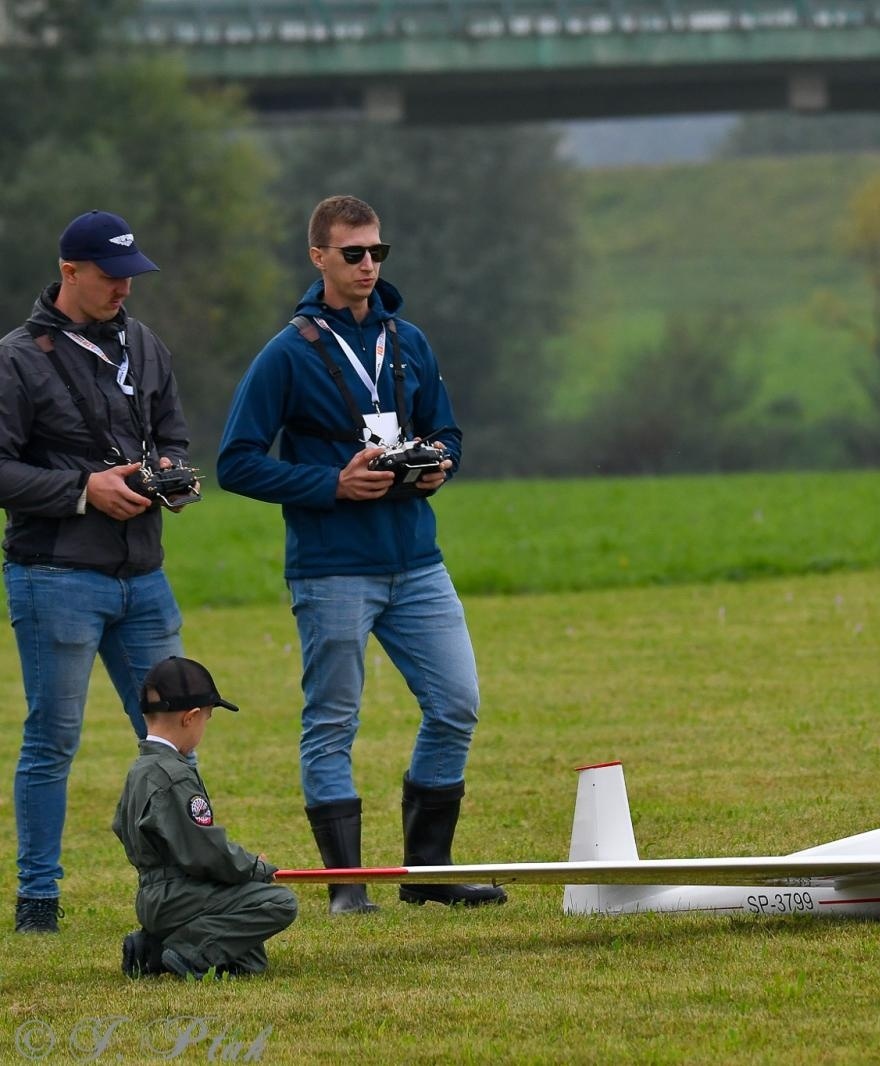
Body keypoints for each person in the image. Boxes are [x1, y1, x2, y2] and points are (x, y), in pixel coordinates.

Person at [217, 195, 504, 914]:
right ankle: (347, 889)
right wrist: (331, 484)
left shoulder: (409, 341)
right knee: (333, 723)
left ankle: (428, 873)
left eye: (378, 251)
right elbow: (235, 463)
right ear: (319, 257)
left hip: (417, 561)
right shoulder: (287, 354)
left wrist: (439, 463)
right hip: (333, 567)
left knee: (457, 703)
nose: (369, 264)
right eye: (354, 253)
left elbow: (447, 430)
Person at [0, 211, 194, 934]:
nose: (124, 289)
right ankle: (38, 900)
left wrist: (169, 470)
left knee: (175, 734)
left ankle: (188, 884)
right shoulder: (16, 359)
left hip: (144, 574)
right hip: (55, 576)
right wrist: (84, 489)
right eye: (111, 276)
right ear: (69, 271)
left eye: (131, 276)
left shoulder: (145, 345)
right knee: (53, 740)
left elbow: (172, 433)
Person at [112, 657, 297, 978]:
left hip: (151, 894)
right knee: (277, 903)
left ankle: (152, 950)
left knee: (249, 962)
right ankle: (187, 953)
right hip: (179, 895)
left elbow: (120, 825)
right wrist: (255, 869)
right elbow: (204, 851)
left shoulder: (140, 770)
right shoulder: (174, 775)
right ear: (190, 717)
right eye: (207, 719)